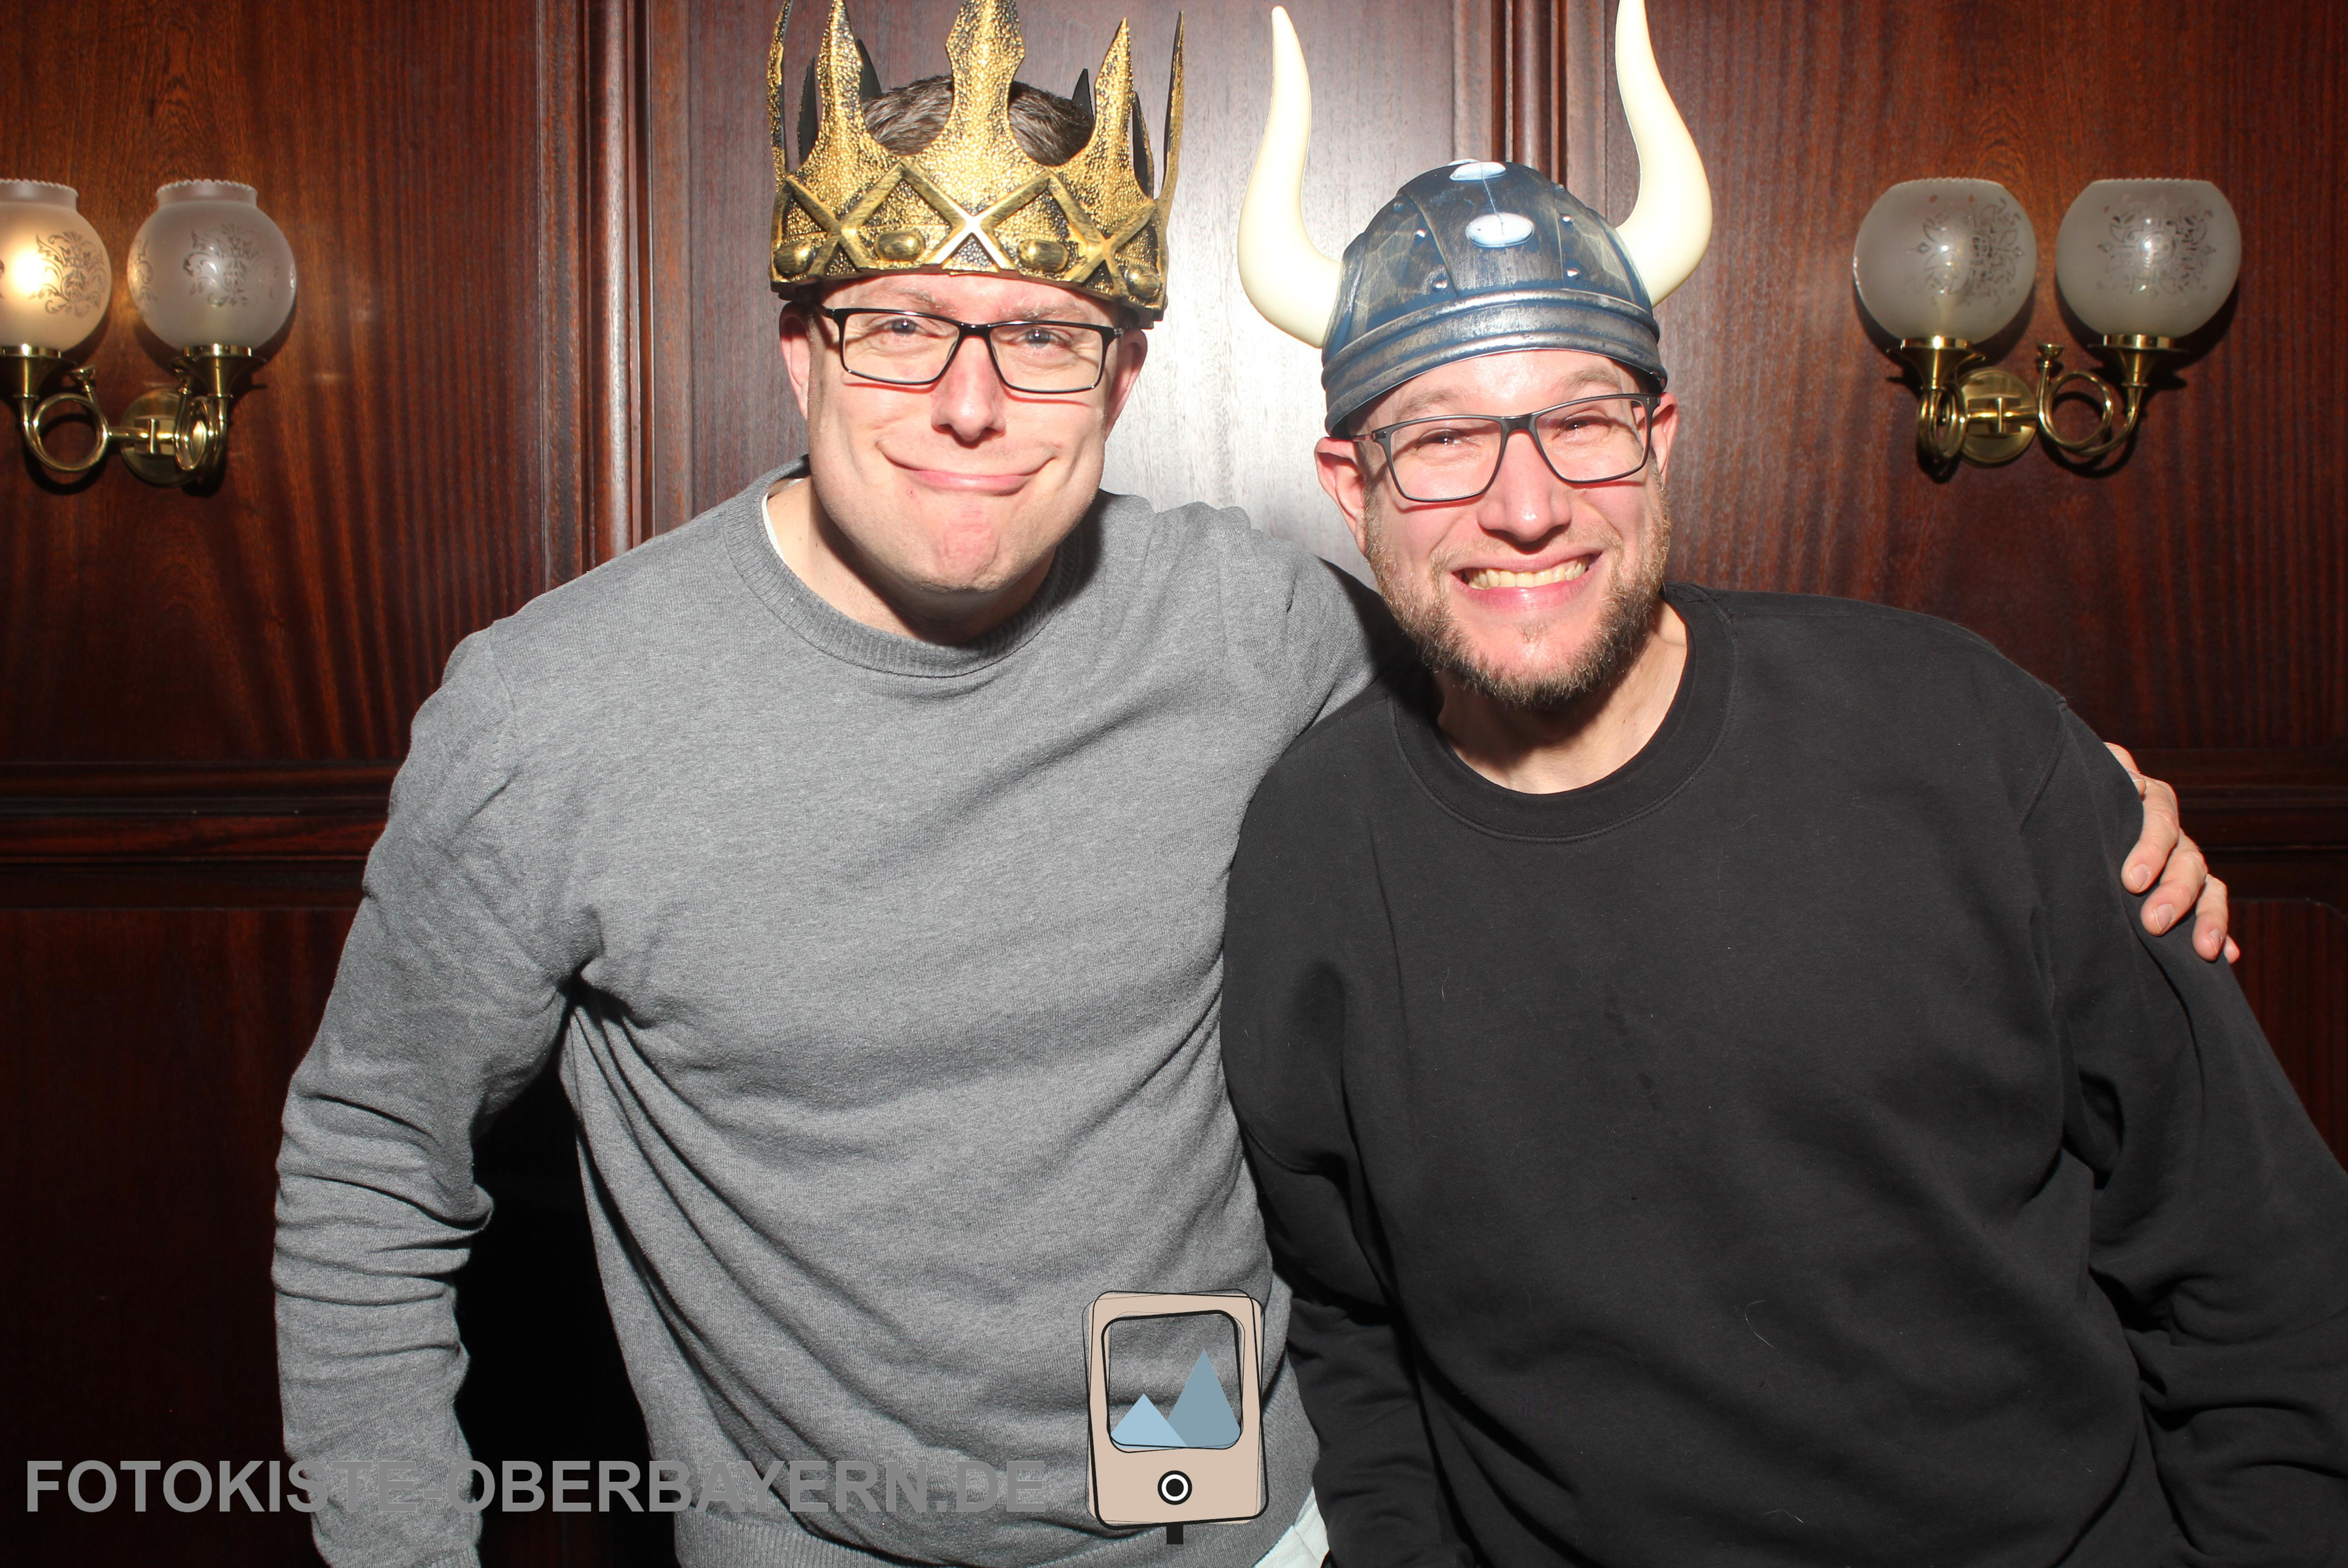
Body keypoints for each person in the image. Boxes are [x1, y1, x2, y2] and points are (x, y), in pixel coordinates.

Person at [271, 1, 2225, 1565]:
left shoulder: (1262, 627)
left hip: (1254, 1525)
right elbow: (370, 1173)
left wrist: (2045, 796)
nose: (971, 398)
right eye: (899, 326)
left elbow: (1559, 649)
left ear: (1124, 381)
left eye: (1045, 338)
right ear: (799, 350)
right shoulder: (556, 714)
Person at [1217, 6, 2348, 1567]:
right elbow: (1353, 1329)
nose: (1527, 504)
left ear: (1661, 439)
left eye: (1582, 423)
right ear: (1353, 489)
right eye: (1446, 442)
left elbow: (2258, 1259)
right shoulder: (1311, 853)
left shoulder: (1959, 738)